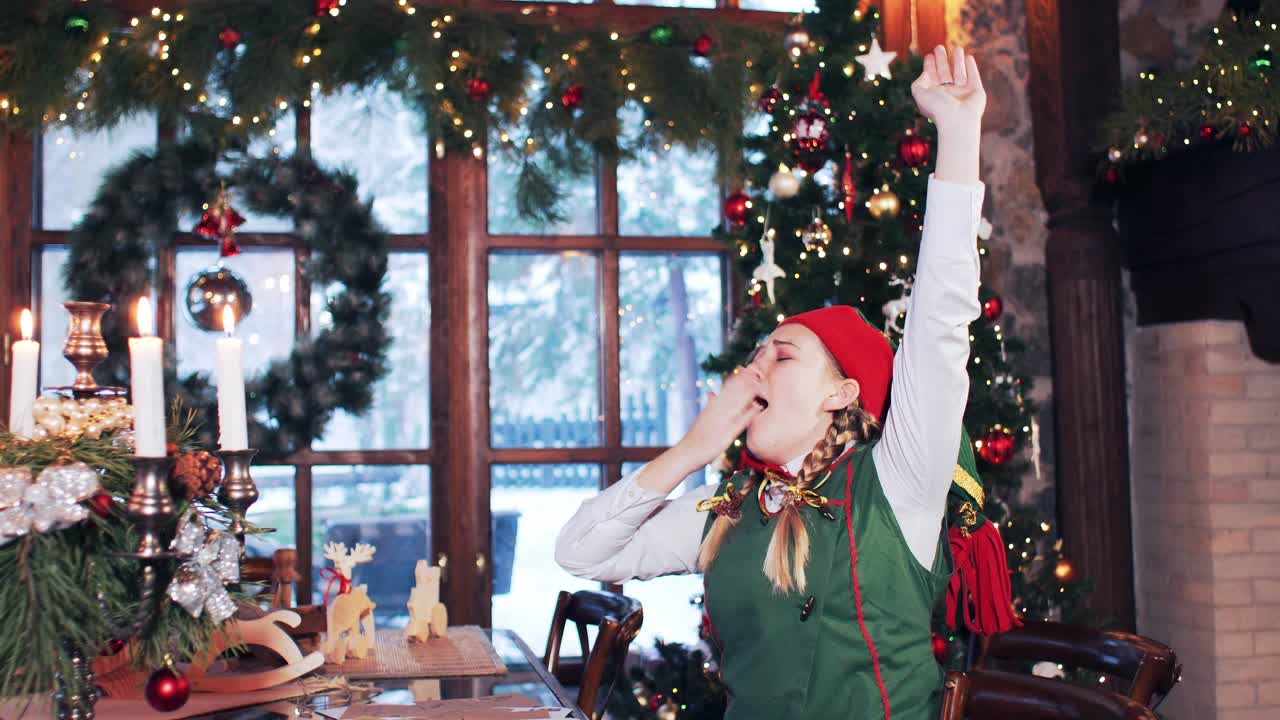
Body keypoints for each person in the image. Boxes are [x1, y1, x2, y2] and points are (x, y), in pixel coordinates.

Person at [556, 46, 1014, 720]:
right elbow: (580, 550)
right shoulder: (728, 509)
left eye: (785, 356)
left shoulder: (898, 483)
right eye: (758, 355)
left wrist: (957, 130)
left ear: (843, 393)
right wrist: (690, 450)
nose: (755, 369)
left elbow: (941, 319)